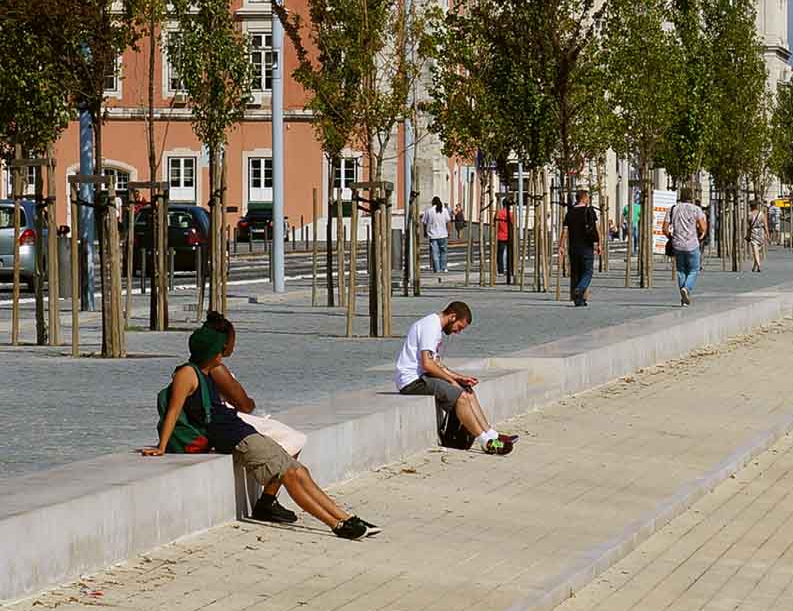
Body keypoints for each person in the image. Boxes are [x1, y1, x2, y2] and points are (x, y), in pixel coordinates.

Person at [144, 314, 376, 539]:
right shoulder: (187, 373)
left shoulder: (205, 373)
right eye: (220, 351)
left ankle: (347, 517)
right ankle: (336, 525)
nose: (223, 356)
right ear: (210, 352)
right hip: (238, 440)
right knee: (290, 475)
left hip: (244, 432)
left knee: (300, 471)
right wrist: (162, 447)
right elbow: (173, 410)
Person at [395, 301, 515, 455]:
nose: (458, 332)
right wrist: (451, 382)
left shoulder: (435, 328)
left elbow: (436, 364)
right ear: (452, 317)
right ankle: (485, 441)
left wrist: (459, 378)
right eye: (459, 327)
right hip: (411, 381)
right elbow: (427, 364)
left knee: (467, 390)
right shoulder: (430, 326)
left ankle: (492, 434)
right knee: (461, 396)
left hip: (423, 377)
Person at [558, 188, 604, 307]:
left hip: (573, 247)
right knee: (588, 271)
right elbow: (596, 228)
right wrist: (600, 243)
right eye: (588, 197)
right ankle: (580, 288)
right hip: (586, 246)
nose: (588, 200)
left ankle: (579, 301)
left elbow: (565, 230)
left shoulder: (570, 212)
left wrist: (561, 246)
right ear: (584, 198)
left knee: (576, 273)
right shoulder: (589, 211)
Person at [669, 186, 708, 305]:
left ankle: (683, 299)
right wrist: (701, 234)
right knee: (694, 269)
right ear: (691, 197)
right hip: (692, 244)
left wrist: (671, 238)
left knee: (681, 270)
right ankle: (686, 288)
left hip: (677, 244)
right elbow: (703, 226)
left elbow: (665, 228)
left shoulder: (673, 209)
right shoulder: (696, 209)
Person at [421, 197, 451, 280]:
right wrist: (449, 232)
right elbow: (448, 222)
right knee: (443, 252)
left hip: (433, 235)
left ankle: (437, 269)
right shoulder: (444, 210)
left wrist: (425, 232)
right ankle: (443, 268)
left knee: (434, 253)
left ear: (433, 202)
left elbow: (424, 222)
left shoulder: (428, 211)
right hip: (443, 235)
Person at [494, 201, 512, 284]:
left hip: (500, 235)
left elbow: (495, 223)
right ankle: (509, 270)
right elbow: (513, 224)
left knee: (500, 254)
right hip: (509, 236)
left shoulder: (499, 213)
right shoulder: (511, 214)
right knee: (509, 254)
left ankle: (500, 271)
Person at [747, 199, 768, 273]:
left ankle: (758, 265)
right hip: (761, 233)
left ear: (751, 206)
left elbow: (749, 225)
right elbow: (765, 225)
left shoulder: (749, 214)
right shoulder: (761, 214)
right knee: (757, 251)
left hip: (754, 233)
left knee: (755, 250)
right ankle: (754, 267)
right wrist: (767, 234)